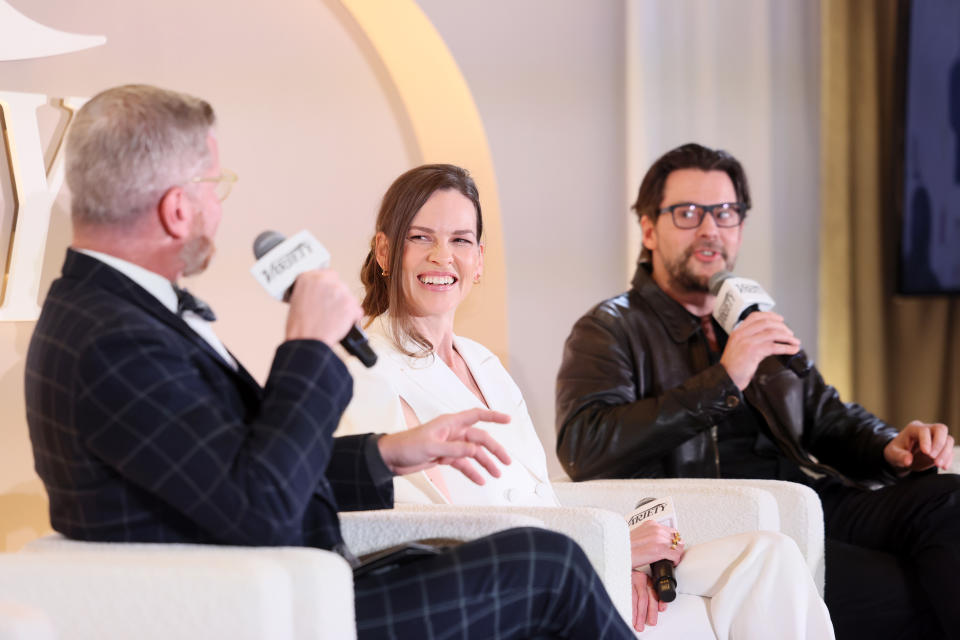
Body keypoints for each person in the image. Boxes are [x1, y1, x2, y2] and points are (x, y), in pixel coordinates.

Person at [24, 84, 639, 640]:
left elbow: (238, 470)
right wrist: (309, 347)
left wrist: (390, 453)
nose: (220, 207)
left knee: (544, 562)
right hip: (269, 613)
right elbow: (260, 505)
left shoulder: (114, 314)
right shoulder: (114, 338)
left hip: (301, 589)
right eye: (215, 186)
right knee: (547, 566)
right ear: (177, 208)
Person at [335, 163, 835, 638]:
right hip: (515, 585)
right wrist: (608, 550)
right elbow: (421, 531)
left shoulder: (484, 363)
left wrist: (624, 558)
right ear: (384, 251)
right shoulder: (367, 369)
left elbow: (540, 497)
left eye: (460, 240)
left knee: (769, 556)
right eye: (420, 237)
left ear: (480, 260)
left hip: (577, 558)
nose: (442, 257)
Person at [555, 142, 960, 640]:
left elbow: (825, 416)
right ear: (648, 230)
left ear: (741, 226)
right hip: (726, 519)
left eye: (725, 213)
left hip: (809, 499)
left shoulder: (748, 314)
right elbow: (585, 446)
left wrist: (889, 446)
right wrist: (725, 379)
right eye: (688, 213)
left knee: (949, 501)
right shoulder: (608, 328)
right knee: (903, 589)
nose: (710, 230)